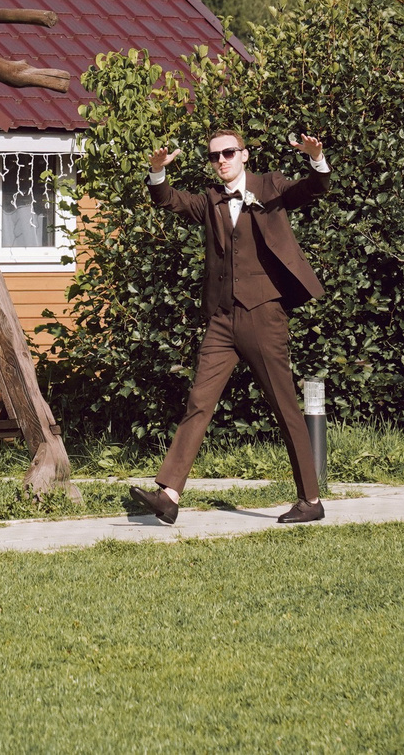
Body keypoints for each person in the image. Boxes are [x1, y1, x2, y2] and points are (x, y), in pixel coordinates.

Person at [139, 128, 332, 526]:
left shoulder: (270, 185)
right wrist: (157, 171)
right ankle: (169, 495)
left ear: (244, 155)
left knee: (284, 406)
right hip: (222, 318)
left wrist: (316, 158)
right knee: (199, 401)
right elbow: (169, 199)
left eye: (228, 153)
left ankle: (310, 500)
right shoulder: (210, 199)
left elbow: (311, 189)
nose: (221, 161)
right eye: (214, 156)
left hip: (264, 313)